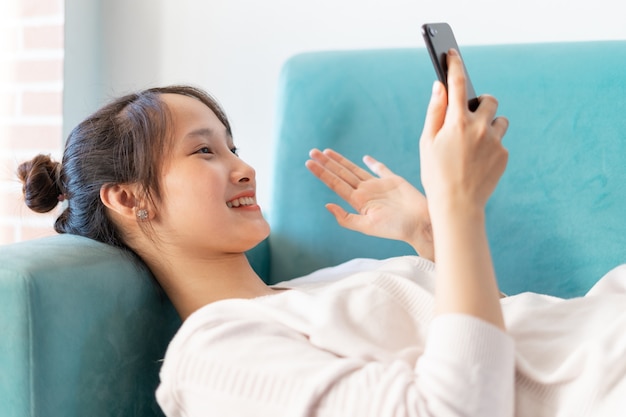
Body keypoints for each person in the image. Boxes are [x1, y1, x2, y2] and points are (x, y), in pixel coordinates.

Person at [17, 50, 626, 416]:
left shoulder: (320, 286)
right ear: (128, 199)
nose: (242, 166)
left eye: (233, 146)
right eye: (203, 152)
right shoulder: (212, 358)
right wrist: (458, 204)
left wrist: (430, 232)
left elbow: (501, 346)